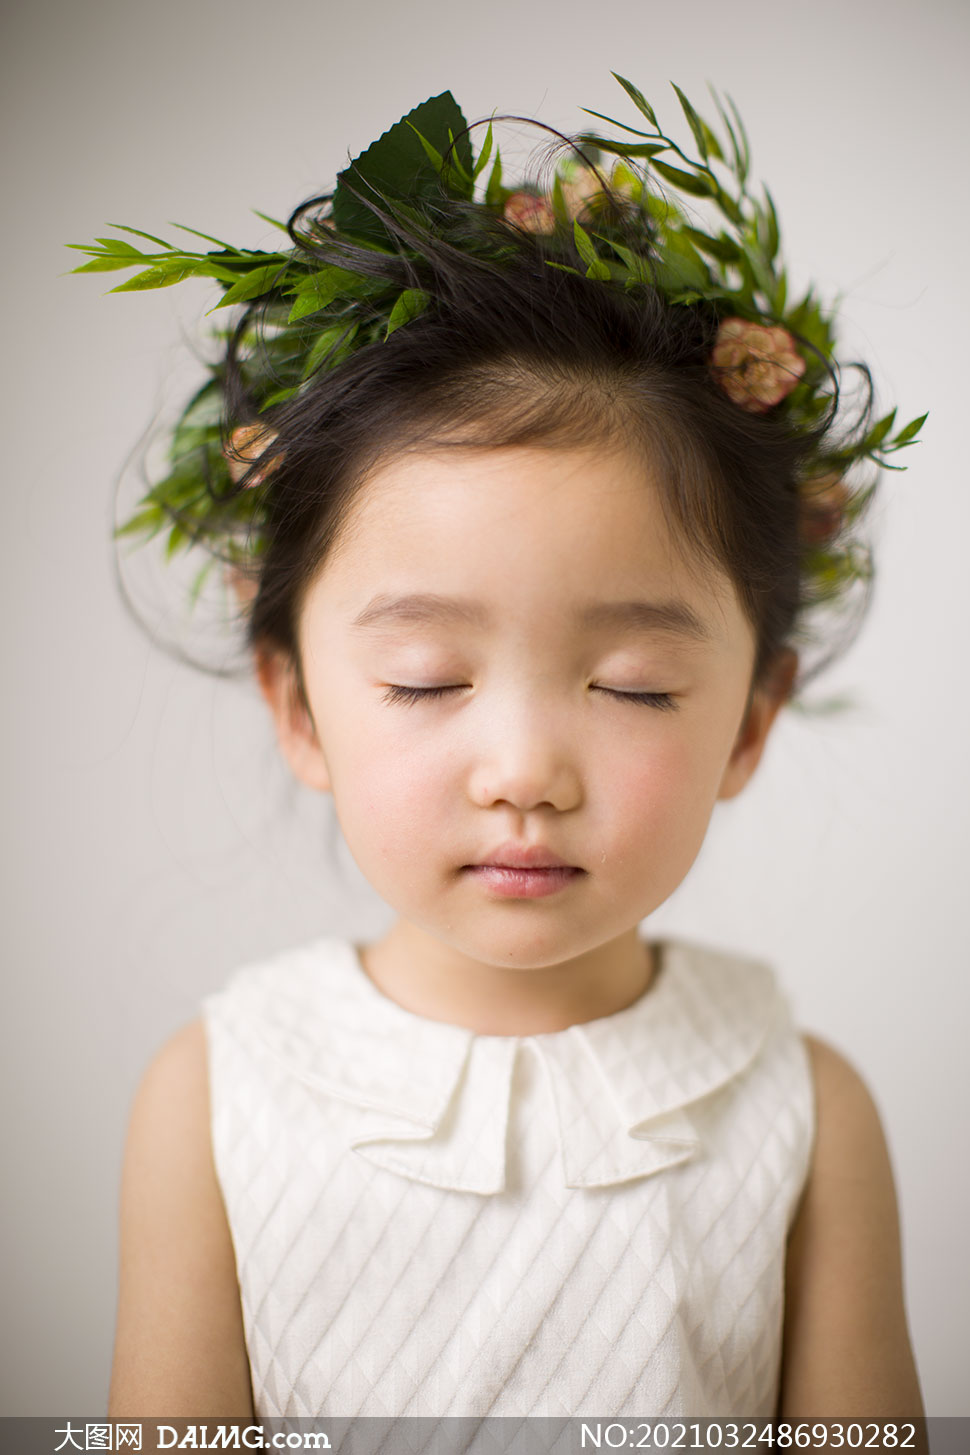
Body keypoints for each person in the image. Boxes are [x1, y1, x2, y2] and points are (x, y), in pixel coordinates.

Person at [81, 81, 926, 1421]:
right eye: (426, 679)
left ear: (749, 720)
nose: (524, 768)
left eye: (634, 685)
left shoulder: (804, 1113)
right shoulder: (219, 1097)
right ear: (298, 705)